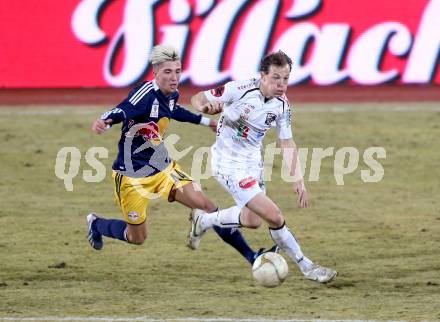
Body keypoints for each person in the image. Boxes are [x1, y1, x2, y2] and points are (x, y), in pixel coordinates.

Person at [87, 44, 275, 265]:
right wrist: (106, 120)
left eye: (177, 71)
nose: (174, 77)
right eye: (167, 72)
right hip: (131, 178)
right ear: (155, 72)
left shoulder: (172, 94)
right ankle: (96, 224)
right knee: (137, 237)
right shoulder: (145, 95)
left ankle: (251, 256)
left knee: (207, 207)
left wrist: (207, 122)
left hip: (164, 169)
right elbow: (124, 108)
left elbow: (174, 111)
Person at [188, 50, 337, 283]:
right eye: (276, 78)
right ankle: (307, 267)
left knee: (252, 220)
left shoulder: (282, 106)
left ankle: (204, 220)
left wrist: (298, 179)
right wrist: (204, 107)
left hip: (252, 163)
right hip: (228, 164)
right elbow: (197, 97)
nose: (281, 84)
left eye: (285, 78)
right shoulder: (238, 89)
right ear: (262, 76)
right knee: (274, 217)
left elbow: (286, 142)